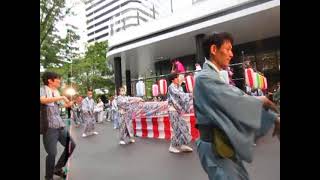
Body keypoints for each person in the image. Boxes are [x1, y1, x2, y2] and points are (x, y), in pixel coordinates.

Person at [193, 32, 280, 180]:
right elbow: (234, 100)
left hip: (223, 145)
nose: (231, 54)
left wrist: (272, 116)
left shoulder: (212, 76)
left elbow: (233, 97)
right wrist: (263, 103)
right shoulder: (204, 78)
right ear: (214, 50)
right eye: (227, 49)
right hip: (215, 148)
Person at [40, 72, 76, 180]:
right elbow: (42, 100)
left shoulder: (56, 92)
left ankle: (58, 168)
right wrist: (61, 97)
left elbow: (60, 105)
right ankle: (49, 177)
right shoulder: (43, 89)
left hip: (60, 125)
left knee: (71, 146)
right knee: (52, 153)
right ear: (50, 80)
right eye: (57, 79)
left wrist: (68, 104)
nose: (59, 81)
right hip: (49, 127)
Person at [167, 72, 194, 153]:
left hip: (178, 111)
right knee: (177, 128)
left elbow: (183, 98)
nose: (179, 78)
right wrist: (191, 94)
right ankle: (172, 146)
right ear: (173, 79)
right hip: (172, 111)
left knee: (184, 126)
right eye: (177, 77)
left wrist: (190, 95)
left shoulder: (180, 87)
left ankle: (183, 145)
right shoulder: (171, 87)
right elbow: (181, 95)